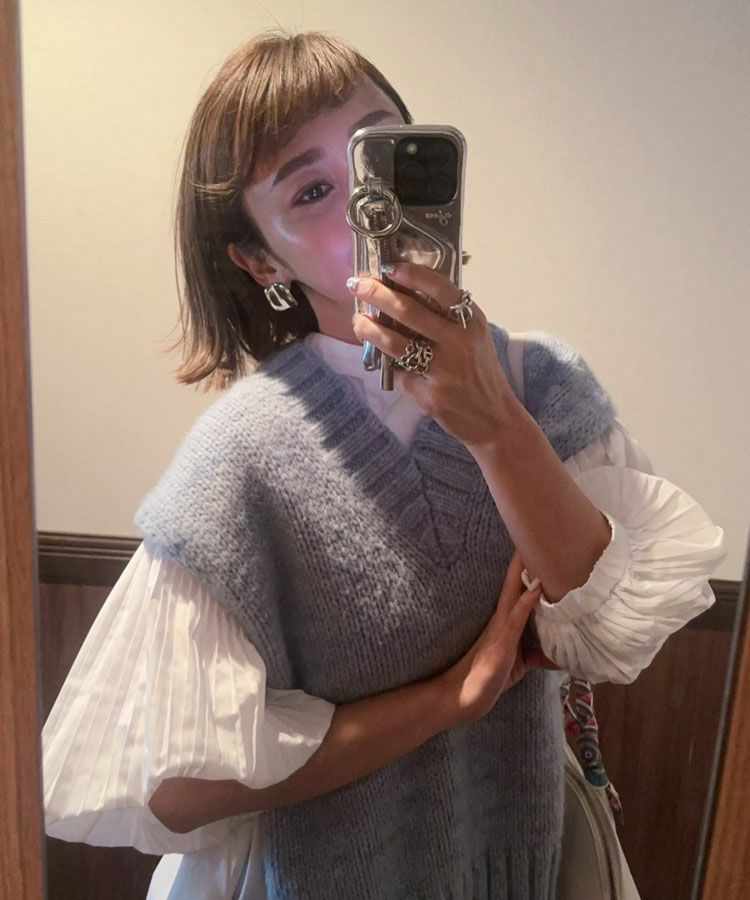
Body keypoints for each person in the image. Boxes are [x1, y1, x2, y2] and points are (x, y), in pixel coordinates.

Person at [41, 29, 727, 900]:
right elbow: (177, 793)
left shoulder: (547, 388)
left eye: (385, 155)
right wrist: (448, 701)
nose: (375, 210)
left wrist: (496, 426)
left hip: (525, 865)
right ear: (261, 260)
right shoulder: (240, 460)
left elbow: (613, 640)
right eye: (314, 191)